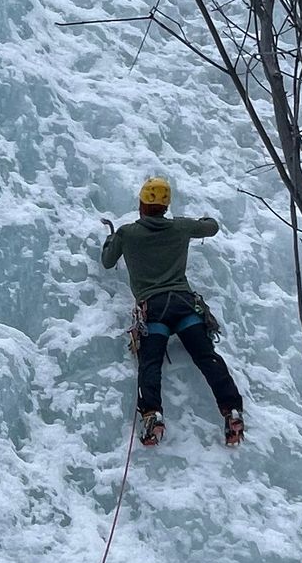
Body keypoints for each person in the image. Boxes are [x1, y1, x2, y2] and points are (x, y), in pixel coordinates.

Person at [100, 176, 246, 450]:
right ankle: (231, 410)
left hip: (153, 309)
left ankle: (152, 414)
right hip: (184, 305)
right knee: (206, 357)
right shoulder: (180, 227)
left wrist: (111, 239)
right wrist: (198, 220)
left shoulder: (128, 233)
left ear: (141, 203)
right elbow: (211, 227)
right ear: (166, 206)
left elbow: (108, 262)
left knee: (151, 362)